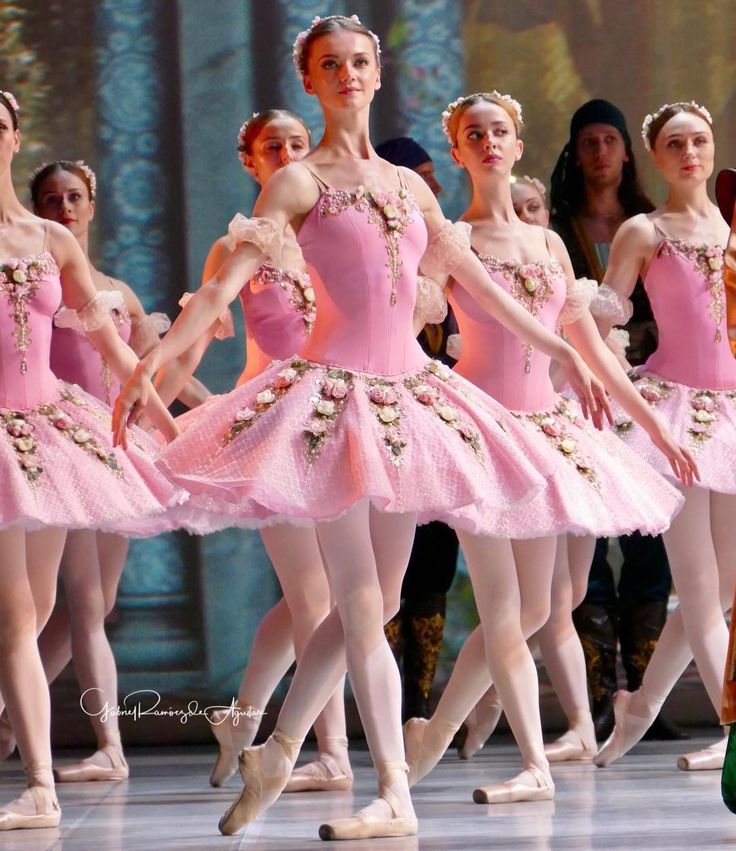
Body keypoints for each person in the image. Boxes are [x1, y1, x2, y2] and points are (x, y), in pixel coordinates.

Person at [112, 15, 619, 841]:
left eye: (358, 62)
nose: (347, 74)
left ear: (377, 74)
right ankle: (392, 790)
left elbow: (478, 288)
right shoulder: (298, 183)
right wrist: (150, 363)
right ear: (309, 81)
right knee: (355, 601)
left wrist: (565, 344)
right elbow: (219, 290)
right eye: (329, 65)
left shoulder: (413, 189)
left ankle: (278, 750)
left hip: (409, 399)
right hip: (332, 401)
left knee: (377, 602)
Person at [401, 91, 694, 801]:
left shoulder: (547, 243)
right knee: (505, 607)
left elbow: (587, 342)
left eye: (500, 129)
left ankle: (436, 730)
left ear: (518, 143)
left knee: (536, 609)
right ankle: (533, 762)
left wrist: (650, 423)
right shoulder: (452, 238)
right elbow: (408, 318)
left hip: (544, 433)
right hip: (483, 434)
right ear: (460, 149)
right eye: (475, 133)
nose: (490, 141)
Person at [0, 90, 184, 830]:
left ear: (13, 137)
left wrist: (165, 421)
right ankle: (40, 781)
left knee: (42, 608)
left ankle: (28, 748)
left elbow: (111, 342)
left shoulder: (51, 240)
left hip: (48, 429)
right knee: (20, 612)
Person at [154, 109, 353, 792]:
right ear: (251, 161)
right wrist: (162, 406)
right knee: (313, 596)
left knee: (324, 595)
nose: (291, 154)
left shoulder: (332, 236)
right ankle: (326, 750)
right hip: (274, 430)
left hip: (335, 418)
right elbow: (202, 323)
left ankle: (242, 719)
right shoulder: (232, 248)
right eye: (276, 146)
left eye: (300, 144)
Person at [592, 102, 736, 770]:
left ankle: (639, 709)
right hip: (673, 415)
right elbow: (602, 317)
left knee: (725, 590)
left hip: (732, 414)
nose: (689, 152)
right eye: (675, 143)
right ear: (655, 155)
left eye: (699, 141)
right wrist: (597, 369)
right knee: (701, 590)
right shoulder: (644, 232)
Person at [550, 98, 682, 742]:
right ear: (575, 154)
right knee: (587, 556)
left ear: (628, 152)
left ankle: (645, 701)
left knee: (650, 545)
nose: (600, 151)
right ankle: (603, 698)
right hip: (575, 396)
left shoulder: (652, 225)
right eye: (589, 141)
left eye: (611, 139)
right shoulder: (554, 227)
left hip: (649, 393)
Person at [375, 135, 458, 720]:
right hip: (381, 419)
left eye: (433, 176)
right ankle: (378, 709)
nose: (432, 188)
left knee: (433, 563)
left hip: (440, 422)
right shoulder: (383, 253)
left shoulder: (448, 252)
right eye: (419, 177)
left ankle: (418, 707)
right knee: (381, 576)